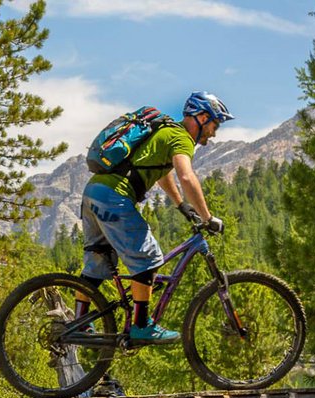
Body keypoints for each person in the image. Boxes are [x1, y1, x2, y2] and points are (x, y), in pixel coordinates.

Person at [77, 91, 232, 344]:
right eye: (215, 124)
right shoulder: (181, 137)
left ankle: (79, 322)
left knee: (98, 261)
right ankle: (141, 326)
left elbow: (163, 174)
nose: (214, 133)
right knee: (148, 256)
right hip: (114, 196)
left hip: (94, 193)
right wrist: (208, 217)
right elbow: (186, 176)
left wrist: (181, 204)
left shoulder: (165, 132)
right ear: (202, 117)